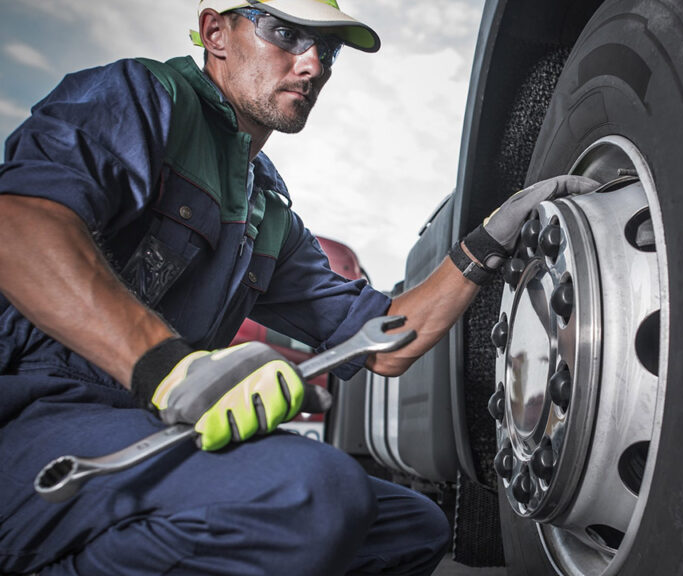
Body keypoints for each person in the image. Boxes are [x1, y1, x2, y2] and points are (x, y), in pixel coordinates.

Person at [0, 0, 599, 574]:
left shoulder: (268, 214)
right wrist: (171, 368)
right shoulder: (142, 98)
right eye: (284, 33)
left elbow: (386, 344)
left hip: (147, 423)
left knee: (410, 530)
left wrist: (485, 244)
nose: (312, 65)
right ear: (215, 34)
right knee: (308, 496)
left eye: (328, 50)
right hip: (34, 417)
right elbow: (20, 228)